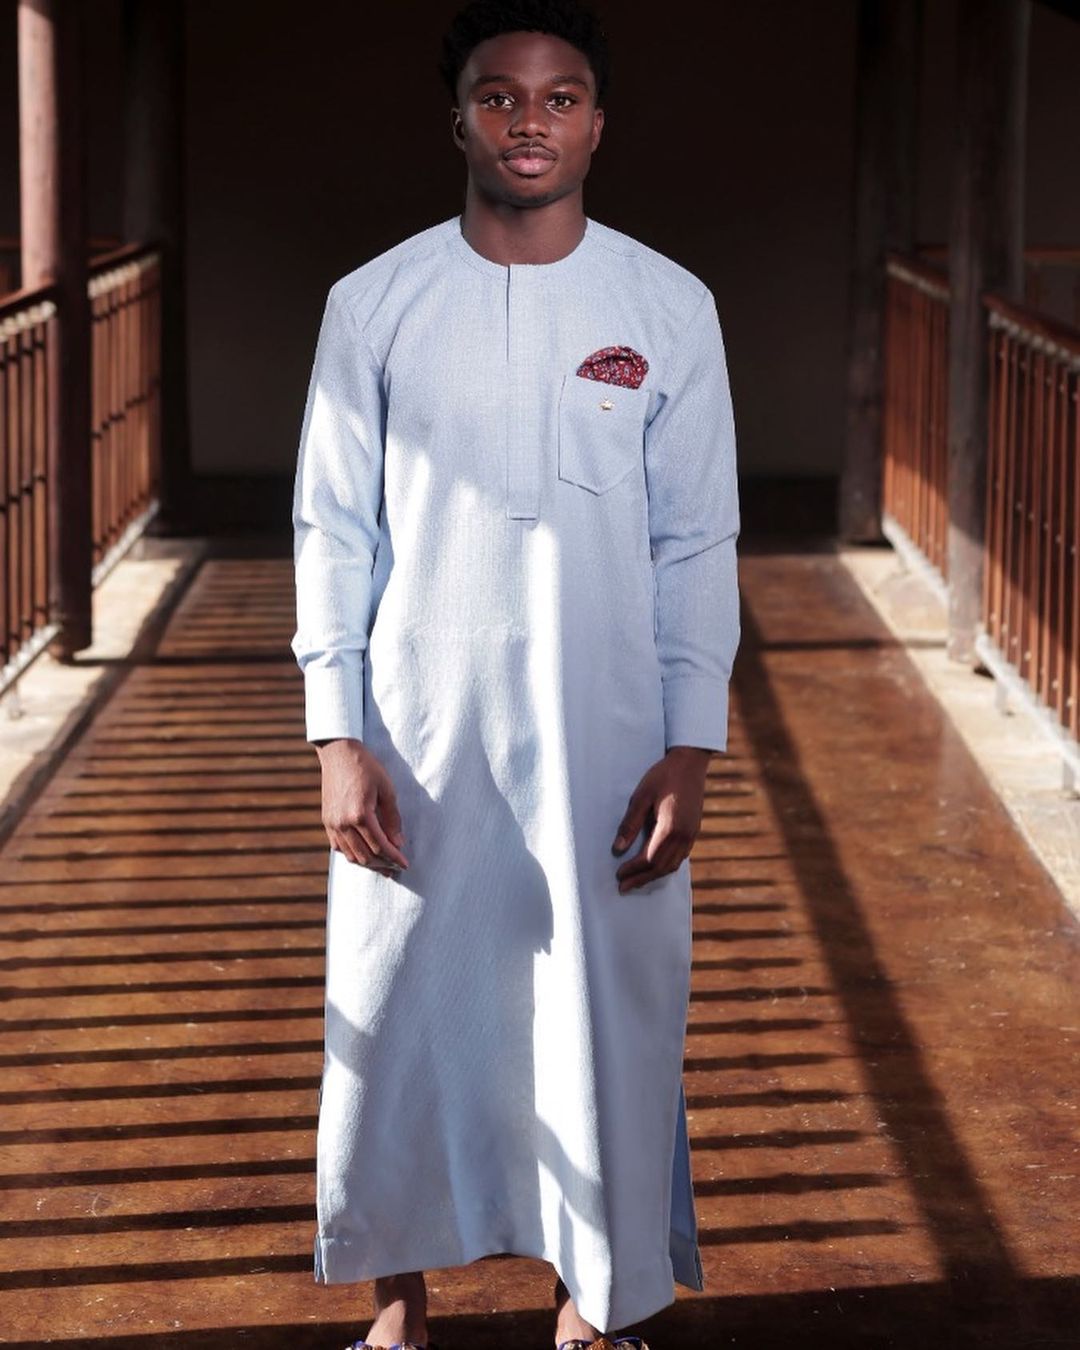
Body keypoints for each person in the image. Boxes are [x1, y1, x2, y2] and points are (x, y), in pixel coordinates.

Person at [289, 1, 741, 1347]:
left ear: (597, 124)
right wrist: (336, 733)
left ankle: (591, 1300)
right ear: (460, 122)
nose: (528, 121)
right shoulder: (375, 304)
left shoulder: (667, 306)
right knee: (399, 995)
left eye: (559, 97)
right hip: (416, 726)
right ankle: (397, 1301)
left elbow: (697, 537)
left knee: (602, 1006)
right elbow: (333, 527)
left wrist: (690, 741)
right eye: (499, 96)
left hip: (606, 729)